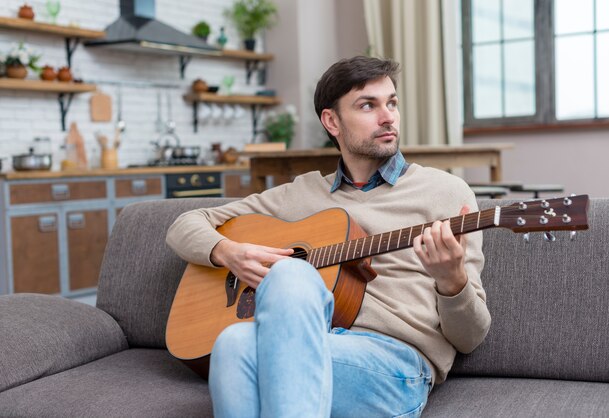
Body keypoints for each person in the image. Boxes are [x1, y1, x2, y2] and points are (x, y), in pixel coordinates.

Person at [166, 56, 491, 418]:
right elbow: (185, 224)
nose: (388, 117)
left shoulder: (446, 192)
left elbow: (471, 337)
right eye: (368, 105)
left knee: (288, 274)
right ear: (331, 121)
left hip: (395, 364)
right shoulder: (302, 194)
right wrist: (228, 252)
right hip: (315, 341)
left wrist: (452, 280)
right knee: (231, 342)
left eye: (392, 103)